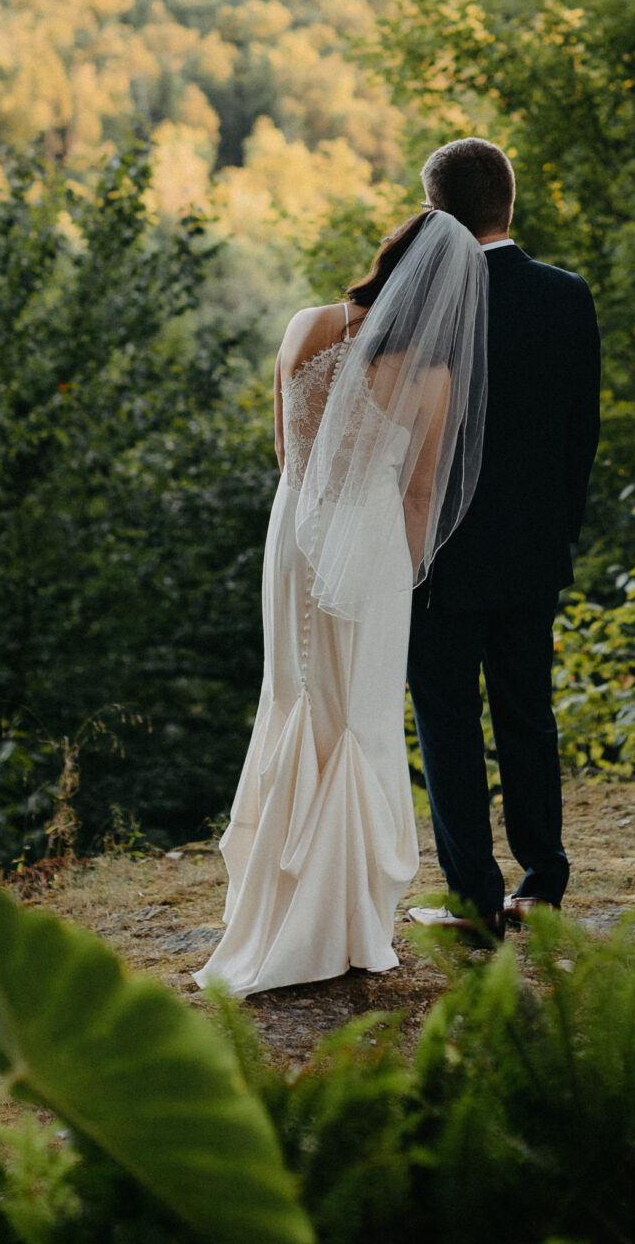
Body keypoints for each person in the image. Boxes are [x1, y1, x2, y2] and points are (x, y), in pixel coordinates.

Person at [195, 204, 487, 998]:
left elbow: (286, 450)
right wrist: (408, 573)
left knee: (293, 699)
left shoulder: (305, 326)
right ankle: (343, 920)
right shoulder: (431, 375)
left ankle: (276, 900)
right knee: (356, 716)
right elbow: (420, 496)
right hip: (370, 543)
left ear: (387, 255)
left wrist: (313, 502)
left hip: (292, 530)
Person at [406, 138, 601, 941]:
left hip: (440, 557)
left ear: (433, 211)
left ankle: (475, 900)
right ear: (508, 202)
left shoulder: (418, 306)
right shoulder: (566, 294)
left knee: (449, 724)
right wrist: (556, 532)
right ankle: (542, 883)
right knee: (528, 715)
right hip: (531, 550)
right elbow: (578, 433)